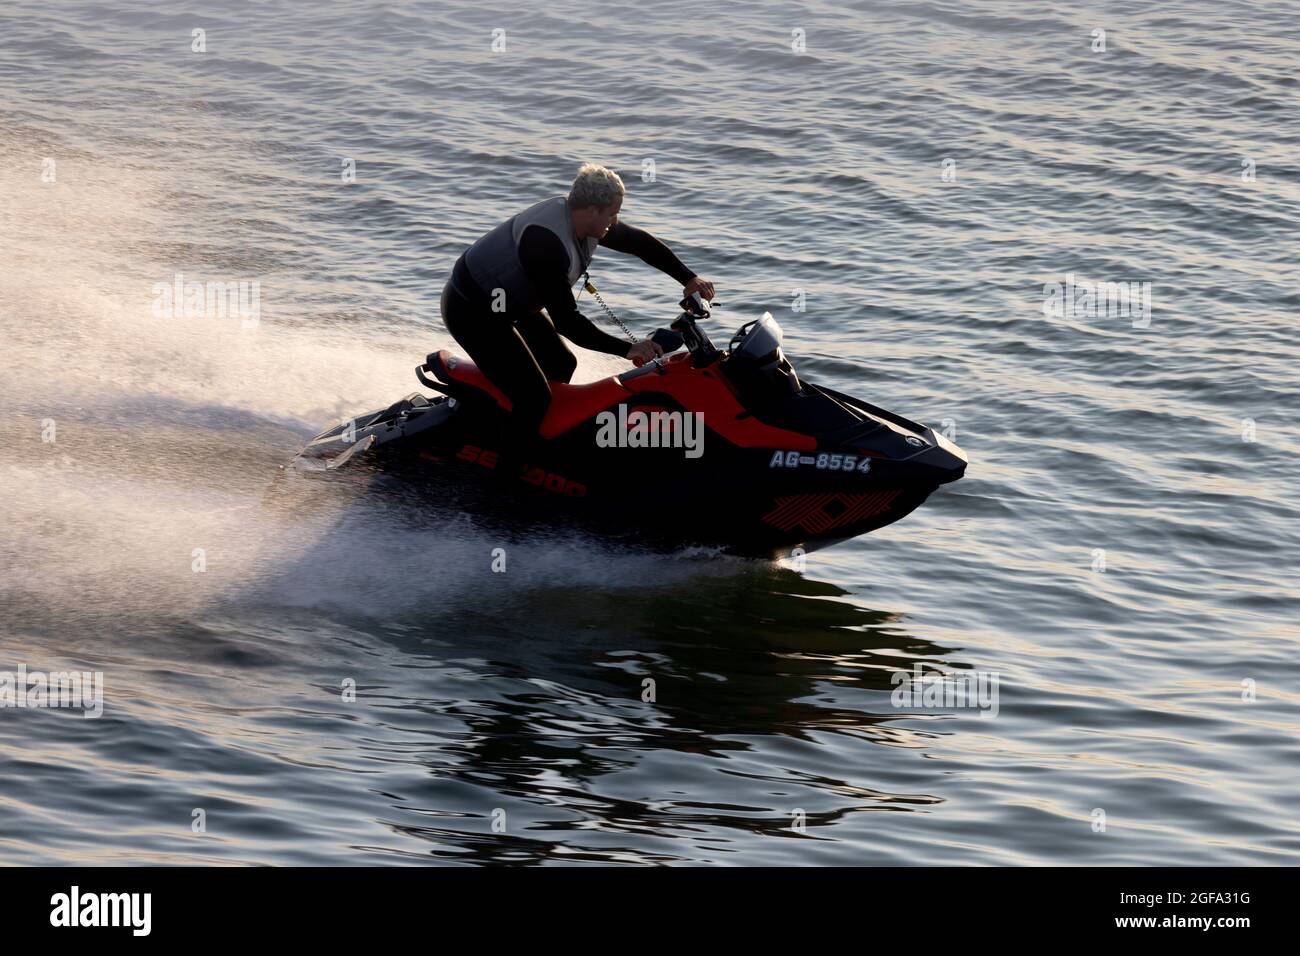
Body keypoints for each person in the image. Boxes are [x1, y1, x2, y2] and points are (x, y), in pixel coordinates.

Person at [439, 162, 715, 479]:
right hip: (473, 311)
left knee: (559, 364)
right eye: (612, 213)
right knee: (534, 397)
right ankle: (503, 491)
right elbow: (568, 323)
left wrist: (689, 279)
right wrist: (628, 350)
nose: (615, 221)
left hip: (511, 304)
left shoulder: (587, 223)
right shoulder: (546, 243)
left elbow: (640, 243)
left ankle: (524, 438)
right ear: (592, 210)